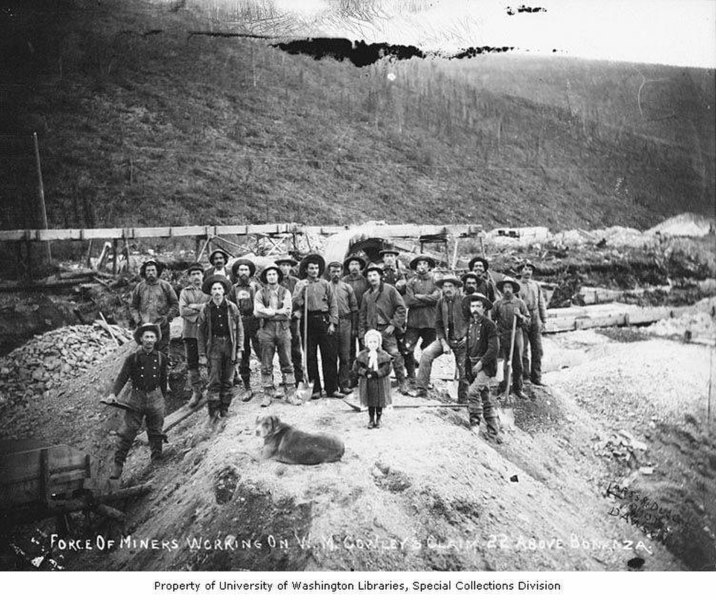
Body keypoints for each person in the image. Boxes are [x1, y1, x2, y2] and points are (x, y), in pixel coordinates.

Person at [106, 323, 168, 480]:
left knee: (156, 430)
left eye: (152, 337)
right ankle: (118, 465)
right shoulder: (132, 358)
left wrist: (161, 399)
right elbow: (122, 377)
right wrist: (113, 393)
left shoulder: (161, 358)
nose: (149, 340)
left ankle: (157, 459)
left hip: (155, 397)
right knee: (128, 431)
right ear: (141, 339)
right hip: (137, 398)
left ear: (156, 339)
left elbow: (163, 379)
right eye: (146, 336)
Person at [409, 274, 468, 404]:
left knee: (463, 370)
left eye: (450, 286)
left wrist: (467, 337)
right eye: (445, 286)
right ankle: (421, 389)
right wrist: (443, 342)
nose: (447, 289)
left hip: (463, 341)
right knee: (426, 354)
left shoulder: (465, 301)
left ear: (457, 287)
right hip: (446, 339)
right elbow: (438, 324)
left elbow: (474, 322)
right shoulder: (441, 302)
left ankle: (462, 400)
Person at [293, 254, 342, 399]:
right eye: (311, 268)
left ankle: (332, 388)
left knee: (329, 355)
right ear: (306, 270)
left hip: (324, 320)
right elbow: (295, 302)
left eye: (316, 268)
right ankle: (315, 389)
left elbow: (333, 304)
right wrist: (301, 290)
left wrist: (332, 323)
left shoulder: (325, 284)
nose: (314, 271)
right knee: (310, 356)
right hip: (308, 321)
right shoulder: (300, 284)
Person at [197, 275, 244, 421]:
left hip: (230, 345)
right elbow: (200, 333)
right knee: (214, 379)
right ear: (210, 292)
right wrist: (202, 354)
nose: (217, 291)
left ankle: (225, 409)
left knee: (228, 379)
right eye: (214, 289)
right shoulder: (206, 308)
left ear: (224, 291)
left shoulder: (232, 307)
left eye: (219, 288)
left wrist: (239, 349)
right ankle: (213, 412)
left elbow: (240, 329)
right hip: (214, 345)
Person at [253, 264, 300, 407]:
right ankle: (268, 393)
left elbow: (287, 311)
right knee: (266, 363)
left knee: (287, 361)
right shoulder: (260, 293)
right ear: (266, 277)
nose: (272, 276)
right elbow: (257, 312)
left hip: (284, 329)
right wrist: (275, 312)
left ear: (278, 276)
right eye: (269, 274)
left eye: (274, 274)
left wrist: (269, 312)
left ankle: (290, 393)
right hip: (266, 329)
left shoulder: (285, 292)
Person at [358, 264, 409, 395]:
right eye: (369, 276)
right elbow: (362, 315)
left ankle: (401, 382)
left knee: (395, 354)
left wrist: (393, 324)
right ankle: (371, 385)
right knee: (370, 357)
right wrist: (363, 334)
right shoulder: (366, 295)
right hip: (372, 332)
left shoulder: (389, 290)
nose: (372, 278)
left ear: (380, 276)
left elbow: (401, 308)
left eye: (375, 275)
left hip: (387, 330)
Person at [465, 293, 501, 443]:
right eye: (473, 306)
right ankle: (493, 433)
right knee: (486, 398)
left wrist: (481, 363)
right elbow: (468, 347)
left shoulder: (489, 325)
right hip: (473, 365)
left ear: (484, 308)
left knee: (473, 391)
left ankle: (475, 423)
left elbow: (494, 349)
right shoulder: (471, 324)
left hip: (485, 367)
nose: (475, 309)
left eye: (478, 306)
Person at [492, 276, 530, 400]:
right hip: (502, 336)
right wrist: (496, 331)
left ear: (513, 289)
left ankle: (518, 389)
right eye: (505, 287)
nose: (507, 290)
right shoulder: (497, 304)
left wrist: (519, 316)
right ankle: (503, 389)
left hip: (516, 334)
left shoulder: (520, 303)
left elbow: (528, 320)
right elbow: (491, 320)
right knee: (503, 364)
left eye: (510, 287)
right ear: (502, 289)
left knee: (517, 363)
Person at [403, 255, 440, 384]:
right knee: (407, 349)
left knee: (428, 351)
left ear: (429, 266)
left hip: (430, 322)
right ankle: (411, 376)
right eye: (419, 264)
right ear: (416, 267)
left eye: (424, 264)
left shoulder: (435, 281)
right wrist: (427, 299)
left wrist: (420, 296)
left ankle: (425, 379)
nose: (422, 267)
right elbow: (410, 301)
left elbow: (437, 299)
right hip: (414, 322)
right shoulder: (411, 282)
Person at [129, 259, 179, 354]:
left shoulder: (165, 286)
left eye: (153, 270)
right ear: (144, 272)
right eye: (148, 271)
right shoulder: (139, 287)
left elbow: (175, 303)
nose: (151, 273)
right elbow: (133, 306)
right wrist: (138, 320)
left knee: (162, 353)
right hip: (145, 326)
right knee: (146, 353)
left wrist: (167, 318)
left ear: (157, 272)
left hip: (162, 326)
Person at [228, 258, 261, 400]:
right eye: (241, 270)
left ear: (250, 272)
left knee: (262, 351)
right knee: (243, 353)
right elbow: (229, 307)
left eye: (246, 269)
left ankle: (269, 384)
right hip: (240, 323)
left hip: (255, 321)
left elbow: (263, 303)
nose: (243, 272)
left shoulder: (256, 287)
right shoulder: (232, 289)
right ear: (236, 272)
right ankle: (247, 387)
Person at [178, 263, 209, 408]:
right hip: (190, 332)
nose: (196, 277)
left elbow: (211, 309)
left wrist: (194, 306)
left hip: (206, 331)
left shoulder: (209, 290)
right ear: (189, 277)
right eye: (193, 274)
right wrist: (201, 309)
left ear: (203, 275)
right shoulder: (185, 292)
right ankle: (196, 391)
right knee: (192, 362)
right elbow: (183, 311)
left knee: (210, 358)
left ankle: (212, 387)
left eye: (198, 273)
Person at [327, 261, 358, 395]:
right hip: (331, 324)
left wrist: (353, 327)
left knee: (345, 356)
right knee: (331, 356)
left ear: (342, 272)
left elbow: (354, 308)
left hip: (346, 322)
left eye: (338, 271)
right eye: (333, 271)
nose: (336, 274)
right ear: (329, 272)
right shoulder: (325, 286)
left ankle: (344, 384)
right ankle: (332, 386)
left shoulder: (347, 287)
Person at [352, 329, 393, 429]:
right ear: (366, 343)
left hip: (380, 382)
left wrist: (377, 373)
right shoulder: (362, 355)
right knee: (370, 401)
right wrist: (365, 372)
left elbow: (387, 368)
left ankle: (378, 419)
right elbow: (356, 367)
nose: (373, 344)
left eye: (375, 342)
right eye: (370, 342)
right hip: (368, 382)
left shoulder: (384, 355)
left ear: (379, 343)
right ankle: (371, 419)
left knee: (379, 401)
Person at [275, 255, 304, 385]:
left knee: (296, 349)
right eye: (283, 265)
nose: (285, 268)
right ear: (279, 267)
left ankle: (299, 378)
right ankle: (286, 378)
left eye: (288, 265)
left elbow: (304, 300)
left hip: (294, 320)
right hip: (280, 320)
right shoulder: (274, 282)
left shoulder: (296, 282)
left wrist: (300, 312)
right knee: (283, 349)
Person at [519, 261, 547, 386]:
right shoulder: (516, 286)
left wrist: (543, 320)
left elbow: (541, 303)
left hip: (535, 317)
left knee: (538, 349)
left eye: (530, 269)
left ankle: (536, 377)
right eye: (525, 269)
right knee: (523, 349)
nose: (527, 272)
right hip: (523, 318)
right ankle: (525, 377)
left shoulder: (536, 285)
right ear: (520, 271)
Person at [342, 254, 369, 386]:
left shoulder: (366, 281)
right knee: (349, 349)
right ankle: (351, 377)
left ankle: (365, 375)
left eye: (356, 264)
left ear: (360, 267)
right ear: (348, 267)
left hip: (363, 318)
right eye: (351, 264)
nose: (354, 267)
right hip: (349, 318)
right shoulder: (344, 281)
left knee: (365, 347)